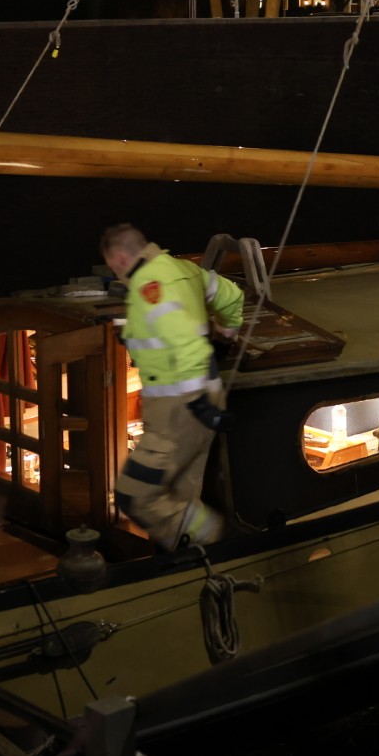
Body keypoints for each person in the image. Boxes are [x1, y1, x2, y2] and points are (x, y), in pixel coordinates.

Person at [100, 223, 244, 550]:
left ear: (120, 258)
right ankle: (192, 556)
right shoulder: (185, 270)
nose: (116, 274)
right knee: (181, 492)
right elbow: (231, 296)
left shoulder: (148, 287)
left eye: (113, 268)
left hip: (179, 407)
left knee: (136, 495)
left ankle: (219, 538)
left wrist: (196, 401)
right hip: (205, 395)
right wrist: (228, 333)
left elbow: (185, 342)